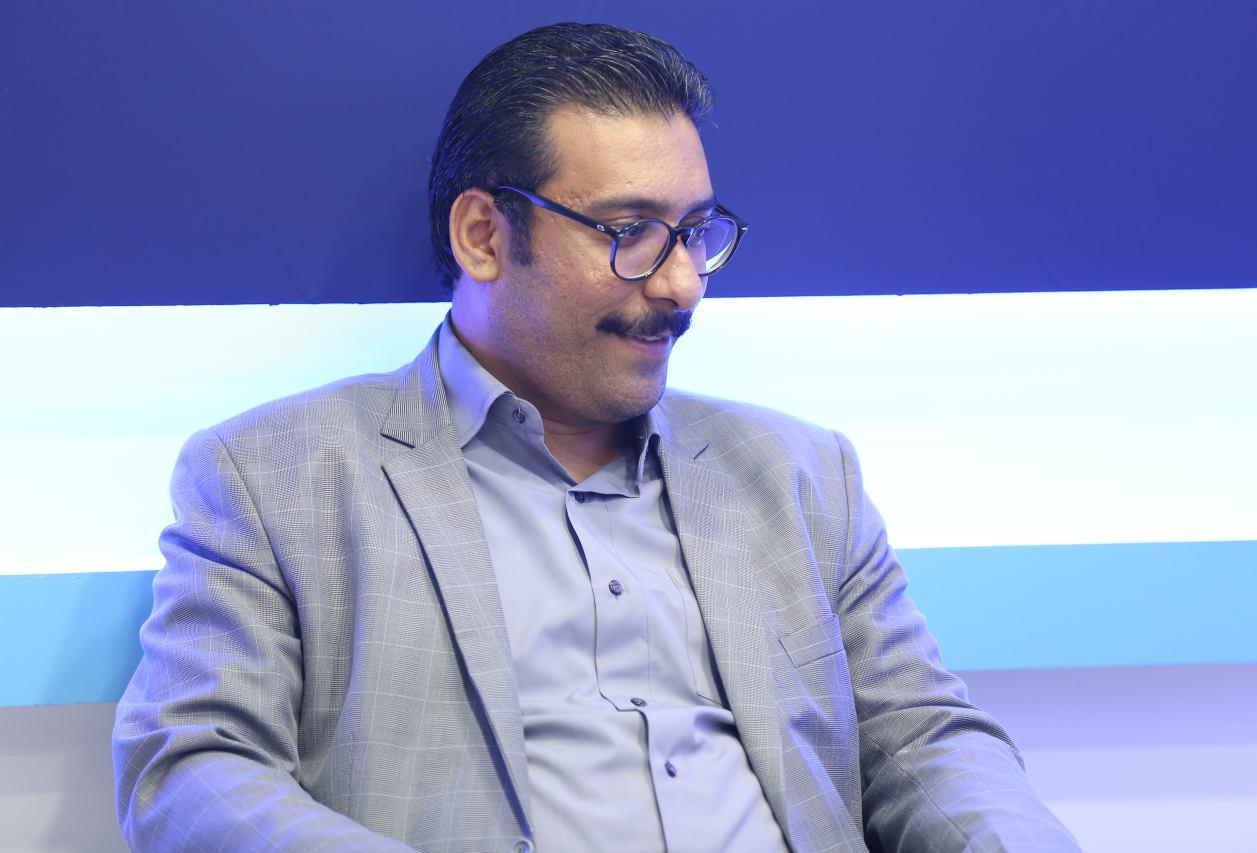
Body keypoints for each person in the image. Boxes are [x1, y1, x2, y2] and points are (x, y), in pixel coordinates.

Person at [113, 22, 1079, 853]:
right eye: (630, 233)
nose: (682, 283)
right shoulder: (275, 475)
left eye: (695, 231)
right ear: (484, 236)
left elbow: (922, 738)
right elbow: (192, 766)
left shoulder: (799, 473)